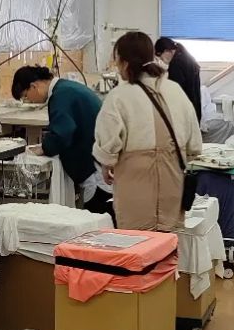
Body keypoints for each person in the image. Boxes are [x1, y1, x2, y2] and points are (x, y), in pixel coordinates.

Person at [93, 31, 202, 230]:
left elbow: (108, 144)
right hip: (173, 182)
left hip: (135, 184)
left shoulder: (119, 97)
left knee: (138, 242)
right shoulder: (175, 90)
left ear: (124, 63)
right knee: (168, 241)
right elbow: (194, 144)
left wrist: (106, 164)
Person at [10, 64, 109, 210]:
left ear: (33, 86)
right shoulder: (66, 88)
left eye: (25, 96)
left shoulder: (60, 96)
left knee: (99, 214)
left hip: (93, 170)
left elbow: (62, 134)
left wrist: (44, 148)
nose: (28, 100)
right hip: (98, 159)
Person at [154, 38, 202, 125]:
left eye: (160, 57)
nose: (161, 61)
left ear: (168, 51)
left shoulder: (175, 64)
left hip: (183, 112)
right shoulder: (187, 58)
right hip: (193, 109)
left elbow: (175, 91)